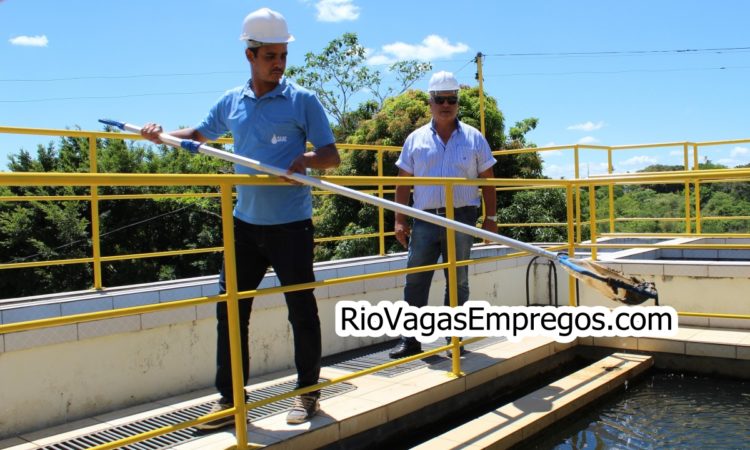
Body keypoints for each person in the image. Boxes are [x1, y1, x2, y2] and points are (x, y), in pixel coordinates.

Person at [141, 8, 340, 429]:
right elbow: (196, 137)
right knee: (230, 312)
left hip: (291, 225)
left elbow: (331, 155)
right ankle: (231, 402)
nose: (279, 63)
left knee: (301, 311)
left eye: (283, 55)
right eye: (270, 55)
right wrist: (159, 134)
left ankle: (308, 397)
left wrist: (306, 160)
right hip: (244, 226)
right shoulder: (231, 102)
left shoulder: (302, 100)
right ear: (250, 54)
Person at [389, 71, 497, 359]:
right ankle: (410, 339)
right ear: (431, 102)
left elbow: (488, 179)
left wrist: (491, 218)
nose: (446, 105)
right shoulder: (415, 139)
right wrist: (399, 219)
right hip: (425, 218)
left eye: (451, 99)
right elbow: (402, 183)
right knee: (416, 278)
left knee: (458, 279)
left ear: (458, 102)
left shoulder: (474, 138)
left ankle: (454, 340)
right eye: (440, 99)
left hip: (461, 216)